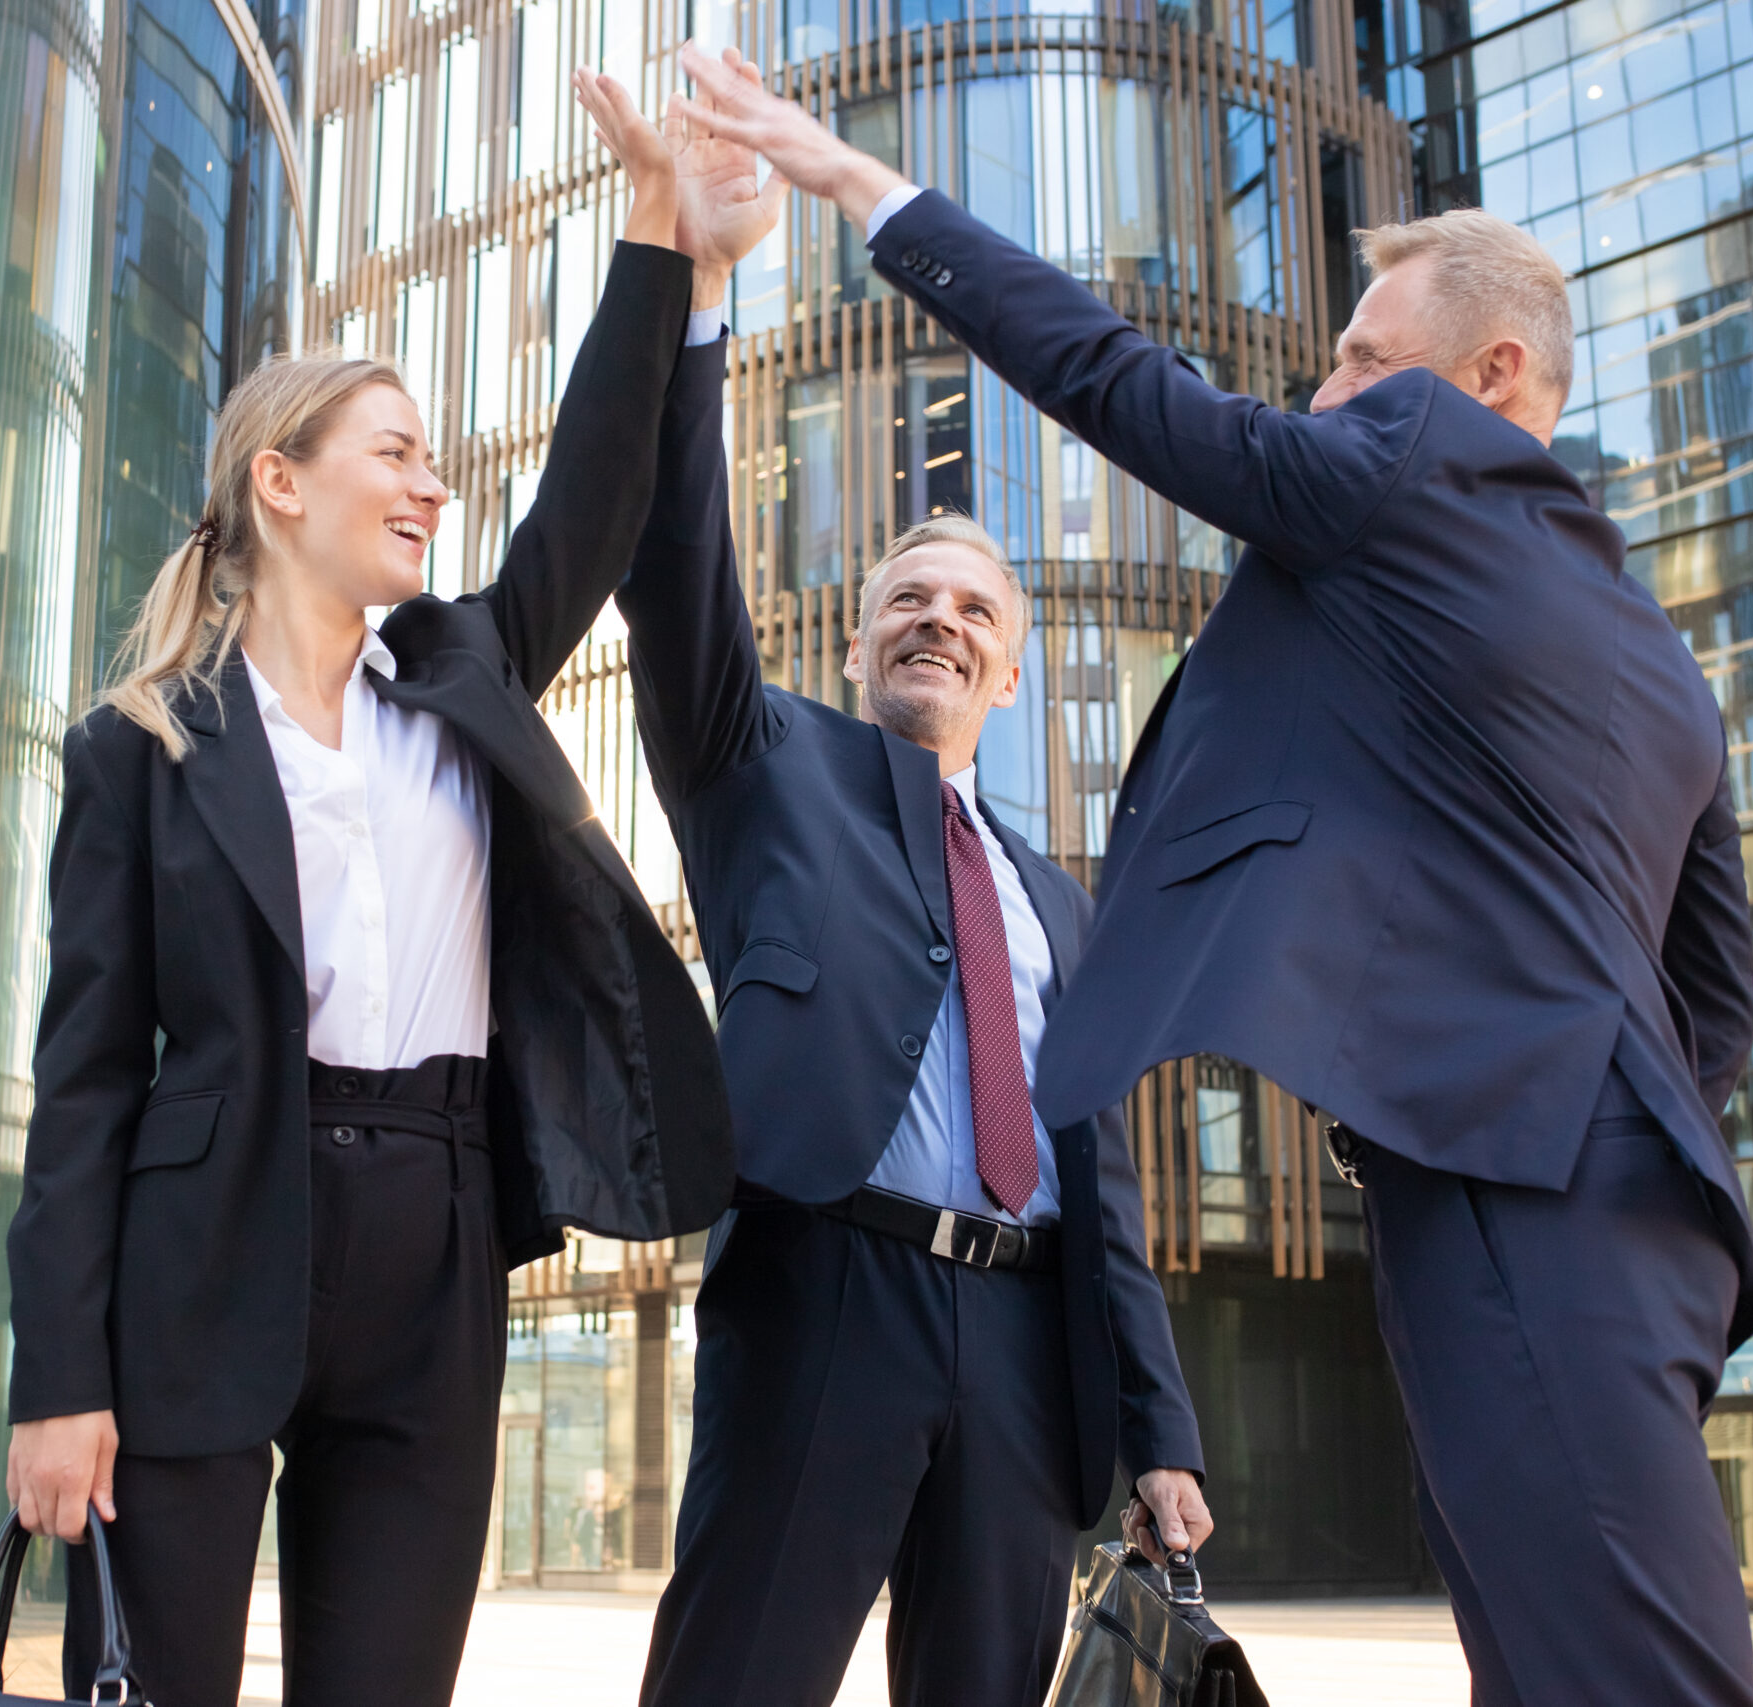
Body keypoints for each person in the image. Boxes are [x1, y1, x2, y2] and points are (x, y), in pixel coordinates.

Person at [676, 42, 1753, 1707]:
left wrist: (857, 184)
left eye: (1357, 360)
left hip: (1524, 1183)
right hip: (1627, 1214)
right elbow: (1715, 990)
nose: (1325, 396)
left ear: (1483, 380)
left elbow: (1131, 386)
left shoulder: (1417, 470)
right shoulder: (1650, 650)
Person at [0, 77, 739, 1707]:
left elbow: (595, 501)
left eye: (430, 461)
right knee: (153, 1683)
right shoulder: (140, 751)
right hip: (205, 1245)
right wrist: (57, 1383)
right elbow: (81, 1090)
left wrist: (653, 234)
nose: (430, 486)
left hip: (438, 1232)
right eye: (394, 455)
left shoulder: (460, 675)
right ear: (281, 481)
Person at [603, 85, 1207, 1707]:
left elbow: (1113, 1195)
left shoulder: (1061, 906)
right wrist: (704, 295)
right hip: (828, 1293)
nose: (935, 621)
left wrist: (1157, 1432)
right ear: (858, 645)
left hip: (1026, 1354)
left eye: (968, 610)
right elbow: (676, 578)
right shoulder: (761, 761)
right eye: (904, 602)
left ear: (1007, 669)